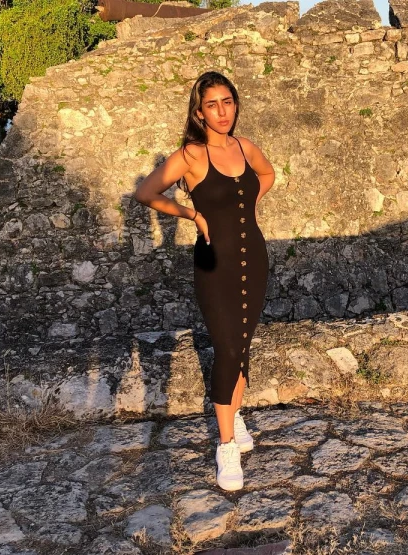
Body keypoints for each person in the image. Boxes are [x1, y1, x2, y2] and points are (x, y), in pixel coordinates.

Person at [132, 71, 274, 491]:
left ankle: (235, 415)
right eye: (212, 104)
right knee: (226, 348)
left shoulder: (246, 147)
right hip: (215, 263)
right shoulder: (191, 156)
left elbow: (267, 175)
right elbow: (146, 192)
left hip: (254, 258)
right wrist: (192, 214)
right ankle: (226, 446)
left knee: (242, 346)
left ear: (235, 104)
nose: (222, 111)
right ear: (199, 112)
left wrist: (249, 205)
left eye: (227, 101)